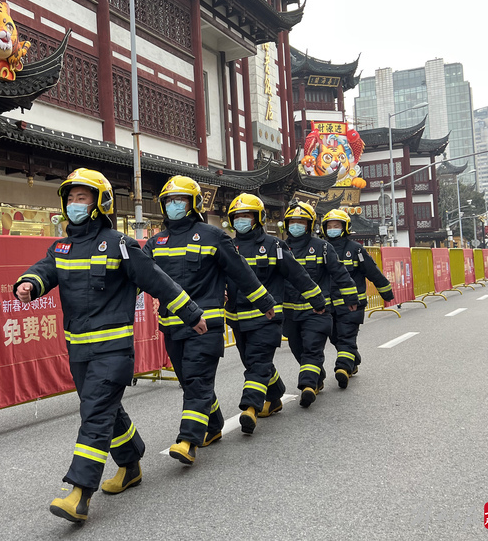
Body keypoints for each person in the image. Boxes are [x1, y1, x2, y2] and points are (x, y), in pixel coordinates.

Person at [14, 168, 206, 523]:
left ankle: (78, 492)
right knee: (104, 410)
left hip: (113, 351)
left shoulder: (120, 244)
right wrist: (29, 284)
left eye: (82, 198)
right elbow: (45, 269)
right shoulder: (61, 247)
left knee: (95, 414)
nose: (74, 205)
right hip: (79, 352)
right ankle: (131, 462)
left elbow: (157, 282)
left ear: (99, 203)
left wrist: (190, 312)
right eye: (70, 198)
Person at [143, 177, 275, 459]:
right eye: (168, 201)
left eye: (179, 200)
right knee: (191, 382)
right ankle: (213, 425)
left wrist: (264, 301)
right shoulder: (156, 242)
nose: (173, 206)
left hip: (206, 326)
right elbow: (140, 274)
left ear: (194, 204)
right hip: (171, 328)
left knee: (197, 380)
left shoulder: (213, 236)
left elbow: (241, 272)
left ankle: (187, 441)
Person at [225, 194, 327, 433]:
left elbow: (297, 274)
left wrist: (317, 299)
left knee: (258, 363)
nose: (241, 220)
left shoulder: (274, 246)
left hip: (267, 319)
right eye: (237, 216)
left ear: (258, 218)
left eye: (246, 216)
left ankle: (250, 407)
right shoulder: (227, 247)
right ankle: (274, 395)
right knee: (252, 362)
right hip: (237, 319)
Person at [282, 201, 359, 408]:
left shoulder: (323, 247)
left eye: (301, 222)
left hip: (318, 310)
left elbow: (340, 274)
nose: (296, 225)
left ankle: (307, 386)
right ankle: (318, 376)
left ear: (309, 225)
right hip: (290, 313)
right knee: (297, 348)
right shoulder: (279, 248)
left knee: (312, 348)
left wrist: (352, 298)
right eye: (293, 221)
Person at [321, 209, 394, 388]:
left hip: (352, 304)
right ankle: (353, 360)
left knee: (346, 337)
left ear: (345, 228)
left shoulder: (356, 249)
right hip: (329, 305)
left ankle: (342, 368)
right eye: (329, 226)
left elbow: (372, 272)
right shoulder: (320, 249)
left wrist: (387, 293)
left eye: (336, 226)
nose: (332, 229)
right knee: (336, 337)